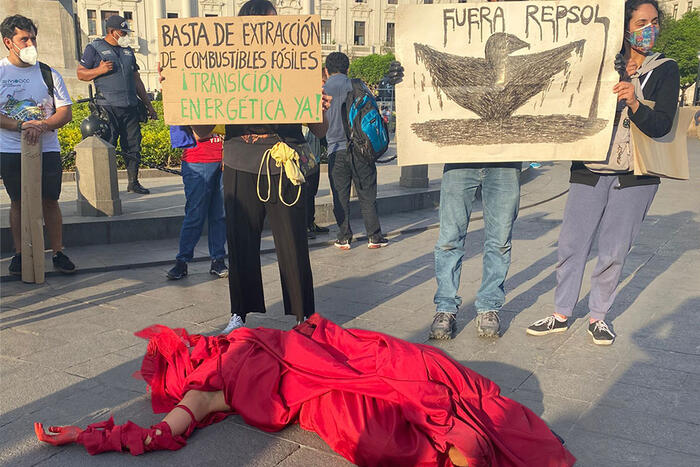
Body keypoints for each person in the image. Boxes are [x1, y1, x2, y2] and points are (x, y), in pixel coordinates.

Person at [34, 314, 576, 467]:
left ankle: (460, 428)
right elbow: (159, 434)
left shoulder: (239, 337)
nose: (194, 348)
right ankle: (457, 442)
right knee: (379, 433)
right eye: (183, 353)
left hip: (322, 350)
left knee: (406, 365)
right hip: (311, 396)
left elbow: (297, 335)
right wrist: (92, 434)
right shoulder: (198, 391)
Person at [526, 0, 679, 346]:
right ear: (625, 26)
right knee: (571, 244)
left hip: (635, 175)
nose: (649, 29)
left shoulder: (666, 69)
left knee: (613, 250)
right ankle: (561, 312)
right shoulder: (600, 62)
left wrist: (635, 102)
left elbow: (663, 124)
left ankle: (598, 316)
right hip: (589, 169)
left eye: (654, 22)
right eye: (641, 22)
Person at [175, 0, 328, 334]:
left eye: (275, 26)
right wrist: (184, 94)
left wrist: (320, 104)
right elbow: (202, 131)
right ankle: (239, 313)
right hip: (240, 162)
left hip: (286, 163)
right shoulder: (223, 70)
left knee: (293, 243)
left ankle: (303, 315)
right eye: (264, 26)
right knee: (240, 240)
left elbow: (319, 130)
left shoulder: (298, 65)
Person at [0, 15, 76, 276]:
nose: (31, 43)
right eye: (25, 39)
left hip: (47, 148)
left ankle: (58, 251)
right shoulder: (0, 72)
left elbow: (65, 111)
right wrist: (20, 126)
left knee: (50, 200)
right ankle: (21, 254)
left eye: (33, 37)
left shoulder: (48, 72)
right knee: (18, 201)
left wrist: (43, 125)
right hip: (11, 149)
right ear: (9, 42)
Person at [76, 15, 157, 195]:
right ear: (112, 32)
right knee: (108, 146)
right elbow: (81, 74)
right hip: (108, 107)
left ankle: (133, 183)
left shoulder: (128, 51)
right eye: (122, 32)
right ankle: (106, 187)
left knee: (133, 145)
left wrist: (149, 105)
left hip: (130, 107)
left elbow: (137, 80)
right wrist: (100, 70)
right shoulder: (94, 48)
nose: (125, 35)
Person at [324, 52, 389, 250]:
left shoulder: (321, 89)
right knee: (367, 193)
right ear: (348, 69)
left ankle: (344, 237)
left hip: (335, 149)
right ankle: (374, 237)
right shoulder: (357, 85)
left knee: (339, 195)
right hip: (361, 148)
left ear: (326, 70)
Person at [166, 126, 228, 280]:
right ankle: (182, 260)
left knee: (220, 214)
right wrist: (224, 130)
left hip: (223, 159)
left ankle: (218, 259)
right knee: (195, 214)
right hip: (198, 160)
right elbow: (199, 134)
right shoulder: (194, 103)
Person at [302, 125, 329, 240]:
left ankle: (310, 223)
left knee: (312, 193)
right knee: (306, 194)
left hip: (315, 161)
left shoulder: (313, 124)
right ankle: (305, 226)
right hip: (304, 164)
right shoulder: (302, 126)